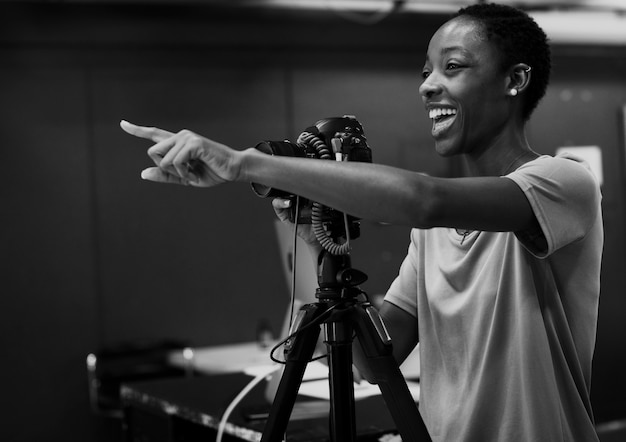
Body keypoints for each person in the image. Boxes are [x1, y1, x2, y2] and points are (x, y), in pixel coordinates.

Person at [121, 3, 602, 441]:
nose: (428, 85)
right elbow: (376, 363)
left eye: (452, 67)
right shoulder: (431, 233)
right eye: (426, 71)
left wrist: (243, 164)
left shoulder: (562, 183)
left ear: (514, 80)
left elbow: (423, 199)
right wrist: (315, 242)